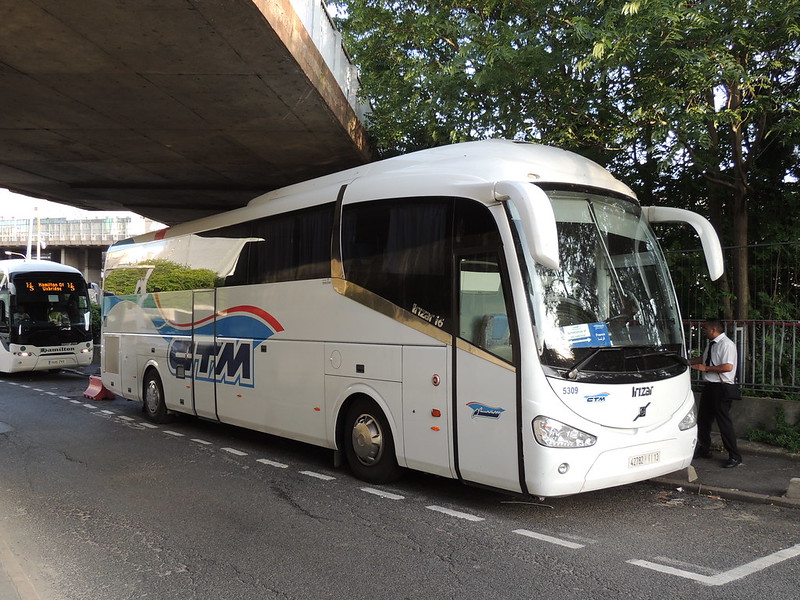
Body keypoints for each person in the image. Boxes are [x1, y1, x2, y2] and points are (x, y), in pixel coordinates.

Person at [690, 319, 743, 468]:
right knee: (703, 420)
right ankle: (705, 449)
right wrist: (689, 362)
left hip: (721, 387)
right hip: (710, 386)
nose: (703, 331)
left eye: (705, 328)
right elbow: (706, 359)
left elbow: (727, 366)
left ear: (713, 330)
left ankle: (734, 456)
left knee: (723, 423)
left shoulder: (726, 344)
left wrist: (705, 369)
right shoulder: (712, 344)